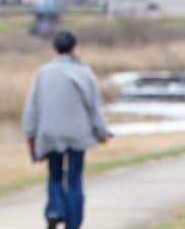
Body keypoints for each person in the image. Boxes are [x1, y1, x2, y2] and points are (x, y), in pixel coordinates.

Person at [23, 30, 112, 229]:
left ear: (55, 48)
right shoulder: (84, 72)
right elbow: (94, 107)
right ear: (75, 48)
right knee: (74, 179)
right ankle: (73, 223)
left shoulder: (43, 72)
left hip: (49, 134)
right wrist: (102, 132)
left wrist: (30, 134)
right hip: (77, 134)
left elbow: (32, 107)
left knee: (54, 175)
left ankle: (55, 210)